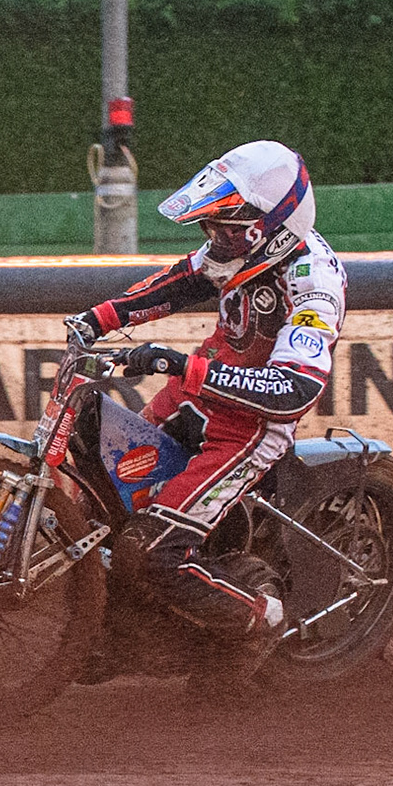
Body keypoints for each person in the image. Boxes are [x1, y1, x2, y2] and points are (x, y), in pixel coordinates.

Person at [64, 140, 345, 696]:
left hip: (249, 428)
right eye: (212, 226)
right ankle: (123, 633)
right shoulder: (237, 248)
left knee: (149, 550)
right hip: (196, 394)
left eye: (229, 229)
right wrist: (100, 318)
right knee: (106, 498)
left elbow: (293, 391)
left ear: (273, 227)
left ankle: (260, 620)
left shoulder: (313, 285)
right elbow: (184, 280)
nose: (216, 238)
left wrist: (180, 364)